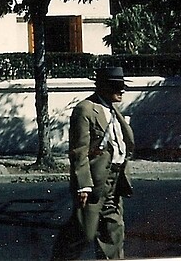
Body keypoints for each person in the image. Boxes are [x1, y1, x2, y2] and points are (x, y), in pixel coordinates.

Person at [52, 67, 135, 260]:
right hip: (94, 182)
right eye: (117, 86)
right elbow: (79, 151)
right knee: (84, 233)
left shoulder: (113, 109)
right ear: (102, 86)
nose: (121, 90)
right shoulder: (86, 109)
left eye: (122, 86)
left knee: (113, 232)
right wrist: (84, 185)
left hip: (115, 180)